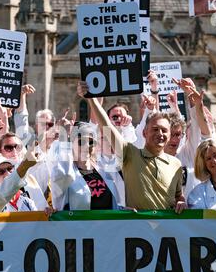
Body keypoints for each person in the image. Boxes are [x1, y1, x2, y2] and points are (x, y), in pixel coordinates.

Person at [78, 81, 186, 212]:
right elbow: (106, 126)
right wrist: (93, 100)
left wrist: (181, 201)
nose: (160, 134)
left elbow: (178, 195)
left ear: (169, 135)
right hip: (136, 229)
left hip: (165, 231)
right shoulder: (129, 154)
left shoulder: (176, 164)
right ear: (144, 132)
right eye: (155, 129)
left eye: (164, 130)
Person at [48, 121, 125, 211]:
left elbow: (112, 205)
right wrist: (64, 138)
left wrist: (122, 210)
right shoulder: (66, 172)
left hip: (107, 225)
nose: (87, 146)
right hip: (80, 225)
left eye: (91, 142)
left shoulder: (104, 171)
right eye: (81, 142)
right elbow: (63, 174)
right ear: (71, 145)